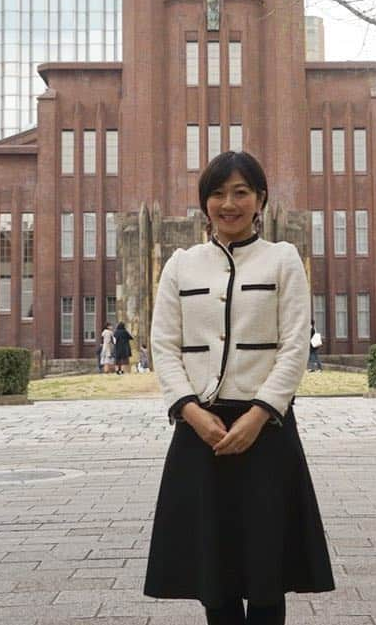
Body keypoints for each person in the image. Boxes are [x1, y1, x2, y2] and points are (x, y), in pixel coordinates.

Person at [144, 151, 334, 625]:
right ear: (204, 204)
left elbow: (294, 344)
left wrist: (259, 413)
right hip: (199, 430)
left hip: (265, 431)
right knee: (215, 570)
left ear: (260, 200)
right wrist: (189, 410)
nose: (229, 203)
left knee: (268, 570)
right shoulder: (181, 265)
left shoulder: (282, 259)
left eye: (241, 192)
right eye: (217, 193)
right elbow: (163, 345)